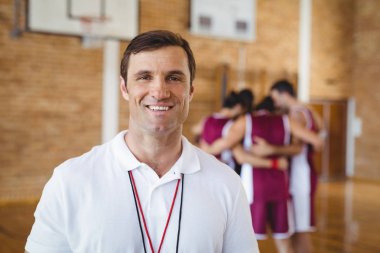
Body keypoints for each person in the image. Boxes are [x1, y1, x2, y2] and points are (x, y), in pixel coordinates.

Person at [25, 30, 259, 253]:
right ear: (125, 88)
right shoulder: (69, 181)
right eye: (144, 77)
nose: (159, 91)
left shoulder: (227, 184)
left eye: (174, 77)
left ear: (191, 91)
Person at [254, 80, 323, 253]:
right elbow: (321, 134)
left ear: (284, 94)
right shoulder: (308, 110)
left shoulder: (295, 115)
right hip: (301, 174)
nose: (274, 102)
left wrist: (272, 149)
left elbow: (313, 142)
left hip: (299, 178)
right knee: (294, 231)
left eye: (275, 98)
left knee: (300, 231)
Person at [198, 91, 242, 170]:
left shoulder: (207, 119)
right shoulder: (231, 124)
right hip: (224, 167)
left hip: (206, 165)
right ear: (237, 107)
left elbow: (202, 141)